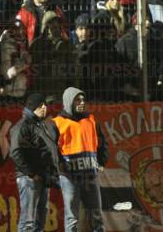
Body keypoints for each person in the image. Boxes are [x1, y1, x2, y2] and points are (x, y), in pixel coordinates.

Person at [53, 87, 108, 232]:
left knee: (96, 216)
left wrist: (102, 161)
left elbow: (102, 143)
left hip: (90, 175)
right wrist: (60, 167)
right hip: (70, 177)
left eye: (83, 99)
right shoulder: (57, 123)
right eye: (78, 99)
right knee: (72, 218)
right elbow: (51, 149)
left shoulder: (91, 120)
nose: (82, 102)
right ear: (69, 101)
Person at [10, 93, 59, 231]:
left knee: (39, 221)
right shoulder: (22, 126)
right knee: (28, 222)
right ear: (32, 107)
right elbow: (15, 152)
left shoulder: (41, 125)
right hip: (30, 179)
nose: (45, 107)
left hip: (43, 177)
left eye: (45, 104)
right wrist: (31, 173)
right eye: (41, 105)